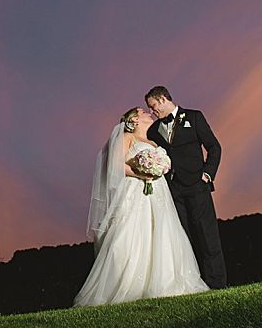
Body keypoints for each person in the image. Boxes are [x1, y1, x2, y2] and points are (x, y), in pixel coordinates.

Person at [74, 107, 209, 307]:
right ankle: (126, 284)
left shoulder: (154, 142)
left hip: (159, 192)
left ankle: (164, 281)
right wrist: (141, 174)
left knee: (161, 232)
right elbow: (117, 164)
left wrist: (158, 168)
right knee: (132, 232)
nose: (149, 114)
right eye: (144, 112)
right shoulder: (127, 138)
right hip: (135, 190)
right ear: (135, 120)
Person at [145, 85, 227, 289]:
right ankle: (193, 284)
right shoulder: (154, 131)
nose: (152, 112)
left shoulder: (194, 117)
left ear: (163, 99)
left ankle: (217, 283)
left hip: (198, 186)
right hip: (173, 191)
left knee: (207, 236)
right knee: (183, 238)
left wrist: (207, 174)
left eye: (153, 106)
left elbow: (214, 147)